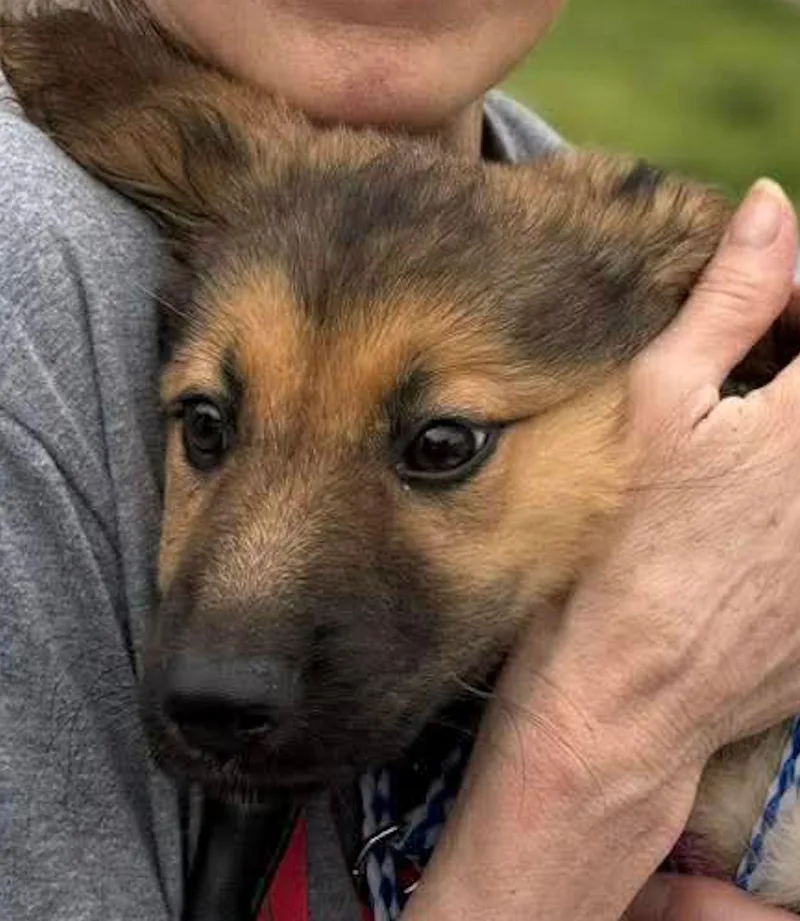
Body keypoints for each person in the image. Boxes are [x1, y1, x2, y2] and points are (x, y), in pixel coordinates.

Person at [0, 0, 798, 919]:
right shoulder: (32, 278)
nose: (239, 645)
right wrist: (600, 751)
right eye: (209, 432)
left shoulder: (551, 205)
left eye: (440, 447)